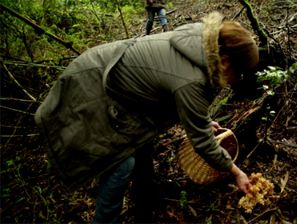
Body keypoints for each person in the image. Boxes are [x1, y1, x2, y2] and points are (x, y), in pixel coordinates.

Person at [34, 11, 259, 223]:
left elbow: (169, 85)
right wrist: (236, 172)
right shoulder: (193, 80)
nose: (234, 80)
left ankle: (145, 202)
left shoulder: (200, 41)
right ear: (226, 60)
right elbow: (202, 141)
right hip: (93, 88)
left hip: (112, 83)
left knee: (140, 145)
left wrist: (200, 119)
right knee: (120, 166)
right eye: (237, 74)